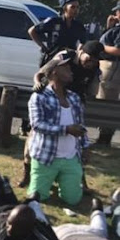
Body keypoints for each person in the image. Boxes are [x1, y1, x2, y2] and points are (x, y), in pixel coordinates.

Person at [19, 43, 103, 189]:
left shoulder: (94, 69)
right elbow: (42, 72)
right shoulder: (66, 56)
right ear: (80, 51)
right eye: (89, 59)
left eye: (95, 61)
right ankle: (27, 173)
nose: (91, 63)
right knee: (34, 139)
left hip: (73, 102)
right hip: (51, 99)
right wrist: (38, 84)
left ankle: (79, 180)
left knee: (77, 144)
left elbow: (92, 91)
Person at [27, 55, 89, 205]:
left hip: (71, 157)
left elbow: (81, 124)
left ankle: (61, 181)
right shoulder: (39, 97)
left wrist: (86, 146)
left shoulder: (74, 97)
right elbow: (37, 125)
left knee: (73, 200)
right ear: (54, 72)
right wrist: (66, 130)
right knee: (37, 198)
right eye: (66, 68)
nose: (71, 71)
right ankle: (48, 179)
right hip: (46, 157)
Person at [28, 0, 86, 66]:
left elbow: (83, 42)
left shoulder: (78, 26)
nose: (76, 10)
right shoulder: (53, 21)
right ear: (65, 8)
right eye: (72, 7)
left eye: (77, 7)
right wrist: (43, 47)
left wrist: (78, 52)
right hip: (53, 58)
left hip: (70, 58)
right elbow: (32, 31)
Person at [96, 10, 120, 145]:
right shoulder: (116, 29)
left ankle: (105, 137)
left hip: (114, 68)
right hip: (108, 66)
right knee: (103, 98)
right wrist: (109, 27)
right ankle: (103, 135)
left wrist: (101, 47)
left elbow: (117, 50)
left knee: (108, 102)